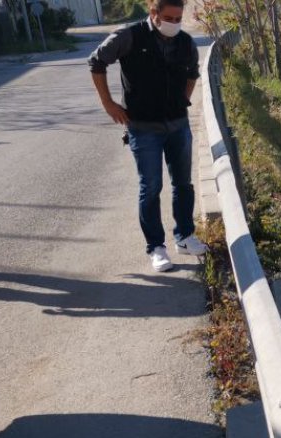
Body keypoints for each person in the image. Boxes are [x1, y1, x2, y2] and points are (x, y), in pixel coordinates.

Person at [88, 0, 208, 272]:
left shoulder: (185, 42)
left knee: (183, 184)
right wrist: (108, 104)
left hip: (177, 126)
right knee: (151, 187)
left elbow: (192, 74)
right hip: (143, 129)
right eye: (169, 17)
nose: (174, 23)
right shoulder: (129, 37)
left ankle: (185, 237)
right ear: (153, 13)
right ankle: (156, 247)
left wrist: (181, 102)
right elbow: (96, 62)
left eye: (178, 18)